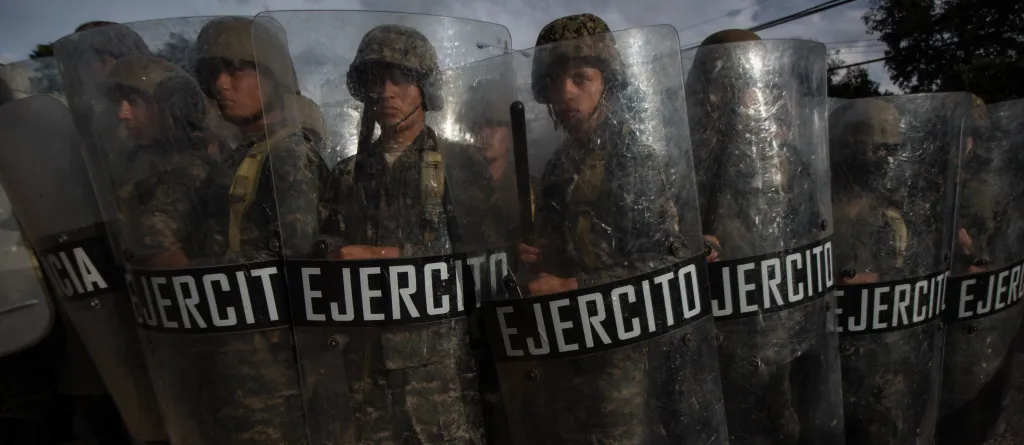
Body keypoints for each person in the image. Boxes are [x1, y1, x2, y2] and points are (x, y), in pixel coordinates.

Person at [513, 13, 704, 444]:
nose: (565, 93)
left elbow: (669, 264)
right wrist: (533, 256)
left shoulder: (635, 159)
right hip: (567, 346)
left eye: (580, 78)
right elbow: (555, 251)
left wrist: (573, 286)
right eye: (555, 81)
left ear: (608, 84)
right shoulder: (559, 166)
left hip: (626, 356)